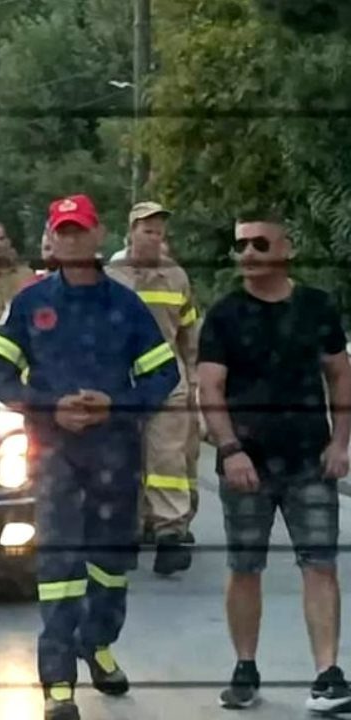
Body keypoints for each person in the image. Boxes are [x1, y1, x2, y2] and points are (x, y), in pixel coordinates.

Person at [0, 194, 179, 720]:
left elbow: (165, 375)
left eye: (80, 231)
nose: (71, 240)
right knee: (60, 564)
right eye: (62, 231)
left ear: (97, 237)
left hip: (114, 452)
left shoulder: (125, 305)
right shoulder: (29, 305)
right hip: (54, 454)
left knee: (111, 567)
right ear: (51, 238)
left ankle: (97, 643)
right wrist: (49, 407)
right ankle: (58, 685)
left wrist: (117, 405)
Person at [197, 209, 351, 713]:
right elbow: (210, 388)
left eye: (259, 244)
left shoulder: (316, 308)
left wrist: (340, 443)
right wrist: (230, 449)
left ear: (286, 249)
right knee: (245, 568)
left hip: (309, 457)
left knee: (320, 565)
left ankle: (328, 675)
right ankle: (245, 668)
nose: (247, 254)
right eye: (240, 245)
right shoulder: (224, 314)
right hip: (248, 464)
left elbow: (340, 376)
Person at [105, 202, 200, 576]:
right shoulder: (111, 277)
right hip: (123, 379)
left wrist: (194, 379)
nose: (155, 238)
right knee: (122, 457)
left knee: (167, 459)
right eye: (147, 231)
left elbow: (189, 332)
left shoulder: (177, 278)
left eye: (160, 232)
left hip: (169, 379)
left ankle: (170, 534)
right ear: (131, 232)